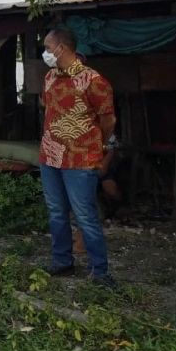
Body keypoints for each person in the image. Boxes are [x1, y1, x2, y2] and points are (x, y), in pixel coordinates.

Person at [39, 28, 117, 287]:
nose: (46, 53)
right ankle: (62, 262)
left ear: (62, 48)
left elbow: (108, 119)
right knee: (56, 212)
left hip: (80, 159)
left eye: (48, 48)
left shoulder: (93, 80)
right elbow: (48, 109)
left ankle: (100, 272)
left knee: (84, 215)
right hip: (50, 156)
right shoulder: (50, 77)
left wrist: (98, 143)